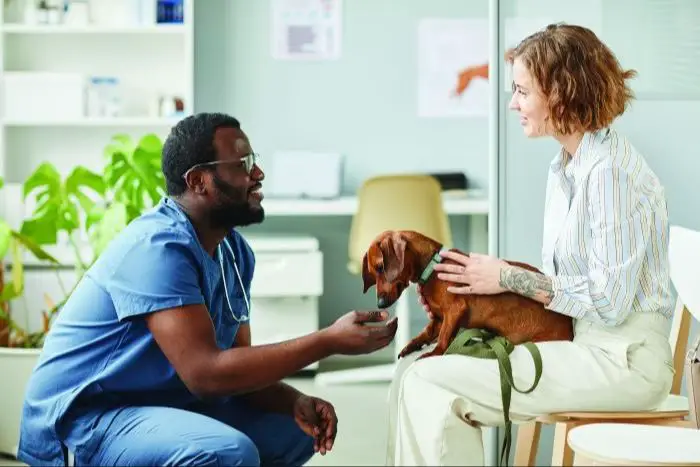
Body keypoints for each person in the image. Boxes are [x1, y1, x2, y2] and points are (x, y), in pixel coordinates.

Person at [17, 112, 398, 467]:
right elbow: (206, 374)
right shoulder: (157, 248)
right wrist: (328, 341)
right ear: (198, 181)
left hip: (161, 406)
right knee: (228, 453)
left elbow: (238, 369)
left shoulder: (233, 251)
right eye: (243, 165)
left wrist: (294, 399)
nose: (259, 173)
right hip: (87, 419)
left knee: (292, 430)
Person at [385, 23, 675, 466]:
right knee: (411, 370)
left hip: (623, 363)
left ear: (560, 93)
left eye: (522, 91)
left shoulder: (610, 176)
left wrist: (506, 277)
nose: (512, 103)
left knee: (430, 383)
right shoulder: (568, 168)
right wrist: (490, 285)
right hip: (585, 345)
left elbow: (611, 303)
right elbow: (572, 284)